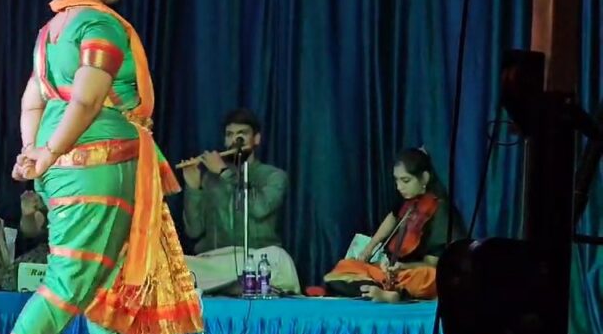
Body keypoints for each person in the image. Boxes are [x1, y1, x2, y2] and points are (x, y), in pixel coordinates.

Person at [0, 0, 203, 334]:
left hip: (67, 163)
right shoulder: (99, 25)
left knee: (107, 283)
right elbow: (87, 100)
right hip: (97, 164)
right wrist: (48, 152)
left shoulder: (51, 31)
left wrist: (34, 150)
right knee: (72, 275)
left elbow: (32, 101)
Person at [181, 108, 300, 294]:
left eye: (242, 134)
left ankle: (235, 286)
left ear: (256, 139)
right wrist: (193, 188)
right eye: (230, 135)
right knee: (179, 266)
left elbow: (259, 208)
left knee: (279, 259)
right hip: (216, 262)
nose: (235, 139)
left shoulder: (274, 176)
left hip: (256, 257)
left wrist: (224, 173)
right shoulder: (210, 179)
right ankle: (230, 286)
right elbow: (194, 230)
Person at [324, 147, 463, 302]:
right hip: (392, 272)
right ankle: (382, 287)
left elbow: (432, 264)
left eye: (405, 181)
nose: (399, 187)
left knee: (429, 277)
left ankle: (391, 293)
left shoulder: (441, 210)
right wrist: (370, 247)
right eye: (396, 180)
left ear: (424, 178)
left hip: (413, 272)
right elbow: (392, 217)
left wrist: (403, 267)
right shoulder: (408, 201)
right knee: (345, 266)